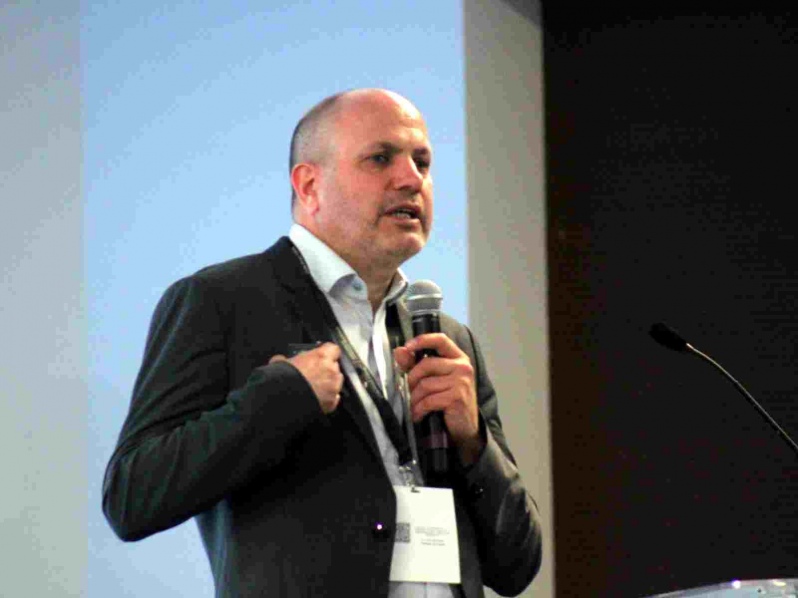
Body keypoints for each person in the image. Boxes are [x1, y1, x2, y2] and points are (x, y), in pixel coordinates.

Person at [102, 88, 542, 597]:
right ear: (309, 186)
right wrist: (276, 401)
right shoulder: (221, 302)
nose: (411, 179)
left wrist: (473, 443)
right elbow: (132, 498)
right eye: (381, 158)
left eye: (422, 162)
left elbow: (518, 565)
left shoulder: (446, 338)